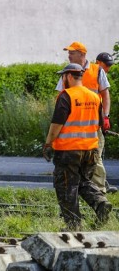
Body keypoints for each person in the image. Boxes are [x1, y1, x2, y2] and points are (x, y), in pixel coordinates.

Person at [44, 63, 112, 230]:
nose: (62, 79)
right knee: (82, 182)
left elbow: (56, 125)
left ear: (68, 76)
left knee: (66, 186)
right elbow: (97, 124)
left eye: (62, 76)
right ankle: (100, 203)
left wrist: (48, 144)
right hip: (90, 150)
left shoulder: (66, 96)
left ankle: (73, 226)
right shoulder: (94, 97)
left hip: (68, 150)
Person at [56, 42, 112, 194]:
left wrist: (105, 116)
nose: (69, 55)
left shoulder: (97, 71)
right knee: (75, 162)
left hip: (93, 125)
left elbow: (105, 95)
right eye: (68, 52)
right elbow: (60, 98)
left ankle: (99, 191)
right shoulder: (67, 72)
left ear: (82, 54)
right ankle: (84, 192)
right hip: (72, 127)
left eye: (72, 52)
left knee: (96, 158)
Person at [95, 51, 118, 194]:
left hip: (99, 121)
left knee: (98, 154)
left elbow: (105, 99)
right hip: (94, 122)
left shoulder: (100, 77)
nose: (108, 68)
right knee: (96, 154)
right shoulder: (94, 74)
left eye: (110, 65)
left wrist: (105, 117)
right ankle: (101, 186)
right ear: (98, 62)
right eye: (106, 65)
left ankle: (101, 183)